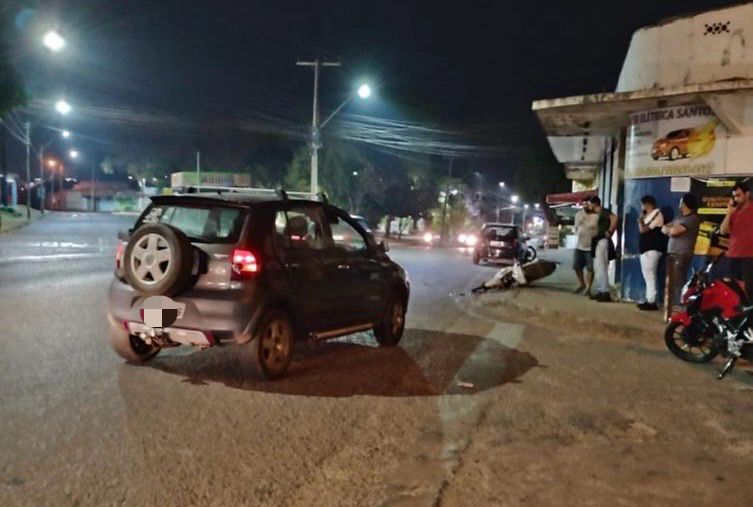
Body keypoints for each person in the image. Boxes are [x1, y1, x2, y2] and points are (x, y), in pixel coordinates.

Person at [662, 193, 700, 310]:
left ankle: (679, 306)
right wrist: (670, 229)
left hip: (682, 254)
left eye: (681, 202)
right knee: (672, 281)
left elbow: (674, 231)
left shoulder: (693, 218)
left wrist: (670, 230)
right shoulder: (679, 217)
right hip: (673, 253)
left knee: (678, 281)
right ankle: (672, 306)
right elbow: (665, 228)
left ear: (684, 203)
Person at [720, 181, 753, 299]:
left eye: (738, 195)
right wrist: (728, 213)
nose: (736, 199)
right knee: (732, 288)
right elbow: (723, 230)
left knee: (748, 289)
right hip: (733, 255)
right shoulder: (734, 212)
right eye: (734, 196)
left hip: (749, 256)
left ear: (747, 194)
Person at [637, 195, 666, 311]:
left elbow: (644, 229)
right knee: (647, 276)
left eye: (642, 204)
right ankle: (648, 299)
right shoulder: (647, 216)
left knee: (650, 276)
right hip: (645, 250)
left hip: (652, 249)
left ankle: (652, 301)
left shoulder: (657, 214)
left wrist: (640, 221)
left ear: (647, 204)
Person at [589, 196, 618, 302]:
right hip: (596, 241)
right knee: (597, 267)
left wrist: (610, 231)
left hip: (602, 240)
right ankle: (601, 290)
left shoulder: (603, 211)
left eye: (590, 204)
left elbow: (614, 218)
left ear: (594, 203)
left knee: (601, 267)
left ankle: (605, 292)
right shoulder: (594, 213)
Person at [572, 199, 598, 295]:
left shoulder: (595, 216)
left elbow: (594, 228)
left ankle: (588, 287)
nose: (585, 206)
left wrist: (585, 222)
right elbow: (576, 227)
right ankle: (581, 283)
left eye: (587, 204)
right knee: (576, 266)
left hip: (590, 247)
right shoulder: (578, 215)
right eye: (584, 204)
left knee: (590, 268)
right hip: (579, 245)